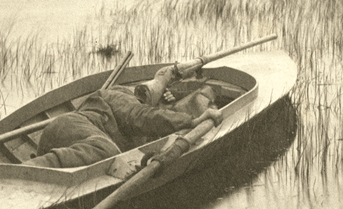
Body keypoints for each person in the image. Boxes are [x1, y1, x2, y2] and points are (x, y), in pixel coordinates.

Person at [22, 66, 221, 169]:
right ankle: (28, 170)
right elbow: (143, 116)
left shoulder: (142, 131)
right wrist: (191, 121)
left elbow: (151, 122)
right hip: (68, 128)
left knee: (109, 152)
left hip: (75, 145)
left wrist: (170, 104)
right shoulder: (118, 96)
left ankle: (45, 170)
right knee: (108, 150)